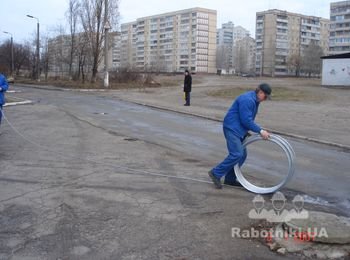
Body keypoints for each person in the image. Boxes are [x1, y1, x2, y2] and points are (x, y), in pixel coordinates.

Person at [208, 83, 272, 189]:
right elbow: (246, 120)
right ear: (260, 92)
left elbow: (246, 119)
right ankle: (215, 173)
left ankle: (230, 179)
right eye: (265, 96)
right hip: (232, 128)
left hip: (238, 129)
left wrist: (245, 131)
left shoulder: (255, 100)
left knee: (242, 155)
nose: (265, 99)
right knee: (237, 154)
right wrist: (260, 131)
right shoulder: (248, 100)